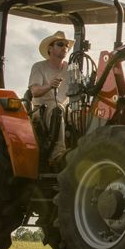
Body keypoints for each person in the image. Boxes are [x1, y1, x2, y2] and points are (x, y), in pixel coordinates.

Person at [29, 31, 73, 167]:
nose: (64, 47)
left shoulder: (70, 69)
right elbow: (35, 92)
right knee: (57, 109)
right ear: (49, 48)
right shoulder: (39, 67)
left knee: (84, 114)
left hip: (65, 108)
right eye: (60, 44)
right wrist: (49, 85)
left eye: (66, 45)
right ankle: (57, 154)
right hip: (42, 109)